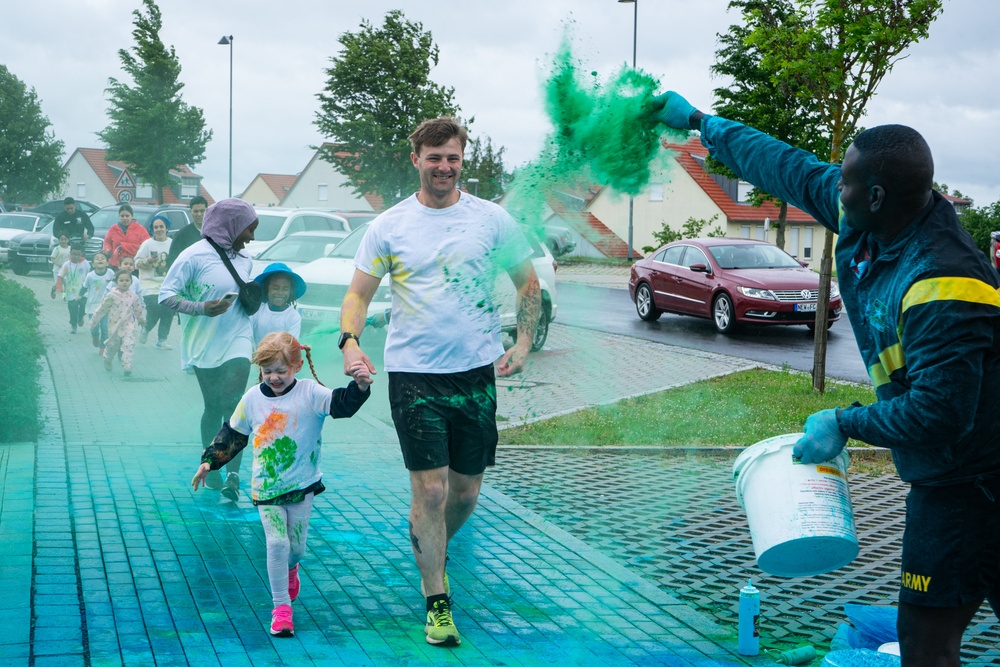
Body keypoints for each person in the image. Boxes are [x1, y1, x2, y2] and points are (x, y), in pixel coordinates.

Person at [651, 92, 1000, 666]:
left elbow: (942, 412)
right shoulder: (868, 217)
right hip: (965, 470)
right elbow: (783, 165)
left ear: (877, 195)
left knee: (925, 642)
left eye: (846, 182)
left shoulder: (943, 280)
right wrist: (698, 122)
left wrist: (843, 421)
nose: (835, 187)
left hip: (971, 479)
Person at [339, 117, 542, 646]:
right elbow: (358, 294)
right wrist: (350, 341)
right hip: (413, 375)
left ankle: (430, 548)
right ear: (416, 160)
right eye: (434, 158)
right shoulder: (389, 225)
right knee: (430, 490)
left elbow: (528, 283)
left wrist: (521, 344)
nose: (444, 167)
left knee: (466, 492)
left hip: (475, 373)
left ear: (461, 160)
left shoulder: (492, 221)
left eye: (452, 157)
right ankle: (436, 599)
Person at [191, 332, 372, 637]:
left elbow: (342, 405)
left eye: (281, 370)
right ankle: (281, 609)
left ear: (297, 365)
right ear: (259, 369)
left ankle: (291, 569)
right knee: (277, 543)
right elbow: (233, 434)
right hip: (267, 487)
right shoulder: (252, 399)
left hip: (301, 484)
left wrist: (362, 386)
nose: (273, 377)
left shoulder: (310, 393)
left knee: (296, 549)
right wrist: (211, 460)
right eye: (267, 370)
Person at [160, 198, 259, 502]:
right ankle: (210, 463)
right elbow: (166, 296)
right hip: (202, 341)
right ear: (230, 226)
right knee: (213, 408)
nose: (251, 237)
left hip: (238, 338)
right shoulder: (193, 256)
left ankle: (232, 474)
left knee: (234, 406)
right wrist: (202, 308)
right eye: (248, 230)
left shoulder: (246, 260)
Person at [90, 269, 146, 376]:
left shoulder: (133, 296)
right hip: (114, 325)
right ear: (116, 282)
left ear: (131, 282)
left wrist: (141, 319)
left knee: (128, 344)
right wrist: (94, 321)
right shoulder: (111, 295)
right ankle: (107, 358)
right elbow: (102, 309)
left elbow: (138, 309)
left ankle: (127, 365)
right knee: (113, 345)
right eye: (121, 280)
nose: (124, 282)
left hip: (128, 325)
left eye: (127, 280)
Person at [135, 215, 174, 349]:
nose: (158, 229)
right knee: (155, 308)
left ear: (166, 228)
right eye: (155, 227)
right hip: (149, 283)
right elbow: (136, 262)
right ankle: (146, 329)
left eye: (161, 226)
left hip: (167, 284)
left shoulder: (172, 243)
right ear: (152, 229)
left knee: (168, 310)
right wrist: (147, 261)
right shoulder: (147, 244)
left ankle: (162, 340)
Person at [250, 263, 305, 346]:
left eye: (285, 289)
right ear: (266, 289)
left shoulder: (293, 316)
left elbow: (292, 346)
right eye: (275, 288)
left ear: (291, 291)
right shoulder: (257, 311)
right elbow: (248, 336)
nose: (280, 293)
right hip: (257, 357)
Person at [83, 251, 115, 355]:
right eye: (97, 258)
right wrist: (79, 296)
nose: (100, 259)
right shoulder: (90, 276)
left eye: (102, 258)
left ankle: (103, 347)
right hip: (93, 306)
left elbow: (116, 286)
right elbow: (84, 287)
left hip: (107, 306)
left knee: (105, 328)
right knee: (94, 327)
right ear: (93, 264)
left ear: (107, 263)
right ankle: (95, 335)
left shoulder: (111, 273)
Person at [55, 242, 90, 334]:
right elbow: (60, 276)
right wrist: (60, 287)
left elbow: (90, 275)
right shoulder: (67, 264)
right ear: (70, 253)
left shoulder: (86, 263)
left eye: (78, 254)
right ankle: (73, 324)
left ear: (82, 254)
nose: (76, 256)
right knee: (72, 309)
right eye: (74, 254)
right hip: (71, 291)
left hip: (83, 291)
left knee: (84, 305)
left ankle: (81, 317)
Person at [166, 195, 208, 269]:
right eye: (196, 211)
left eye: (202, 211)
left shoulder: (215, 234)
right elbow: (172, 260)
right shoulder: (181, 235)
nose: (199, 214)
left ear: (207, 211)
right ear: (190, 211)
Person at [103, 203, 150, 269]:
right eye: (122, 216)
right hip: (116, 265)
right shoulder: (113, 229)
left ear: (132, 216)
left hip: (133, 266)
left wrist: (123, 246)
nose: (124, 218)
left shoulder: (141, 230)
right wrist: (107, 249)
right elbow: (107, 242)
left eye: (127, 216)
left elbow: (145, 247)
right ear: (119, 216)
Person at [49, 233, 72, 299]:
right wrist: (58, 264)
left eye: (65, 239)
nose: (63, 241)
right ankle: (54, 289)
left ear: (68, 240)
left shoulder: (70, 249)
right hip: (57, 270)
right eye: (61, 239)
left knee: (66, 284)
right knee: (58, 284)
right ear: (59, 240)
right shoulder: (56, 249)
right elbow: (52, 258)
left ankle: (64, 297)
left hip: (67, 270)